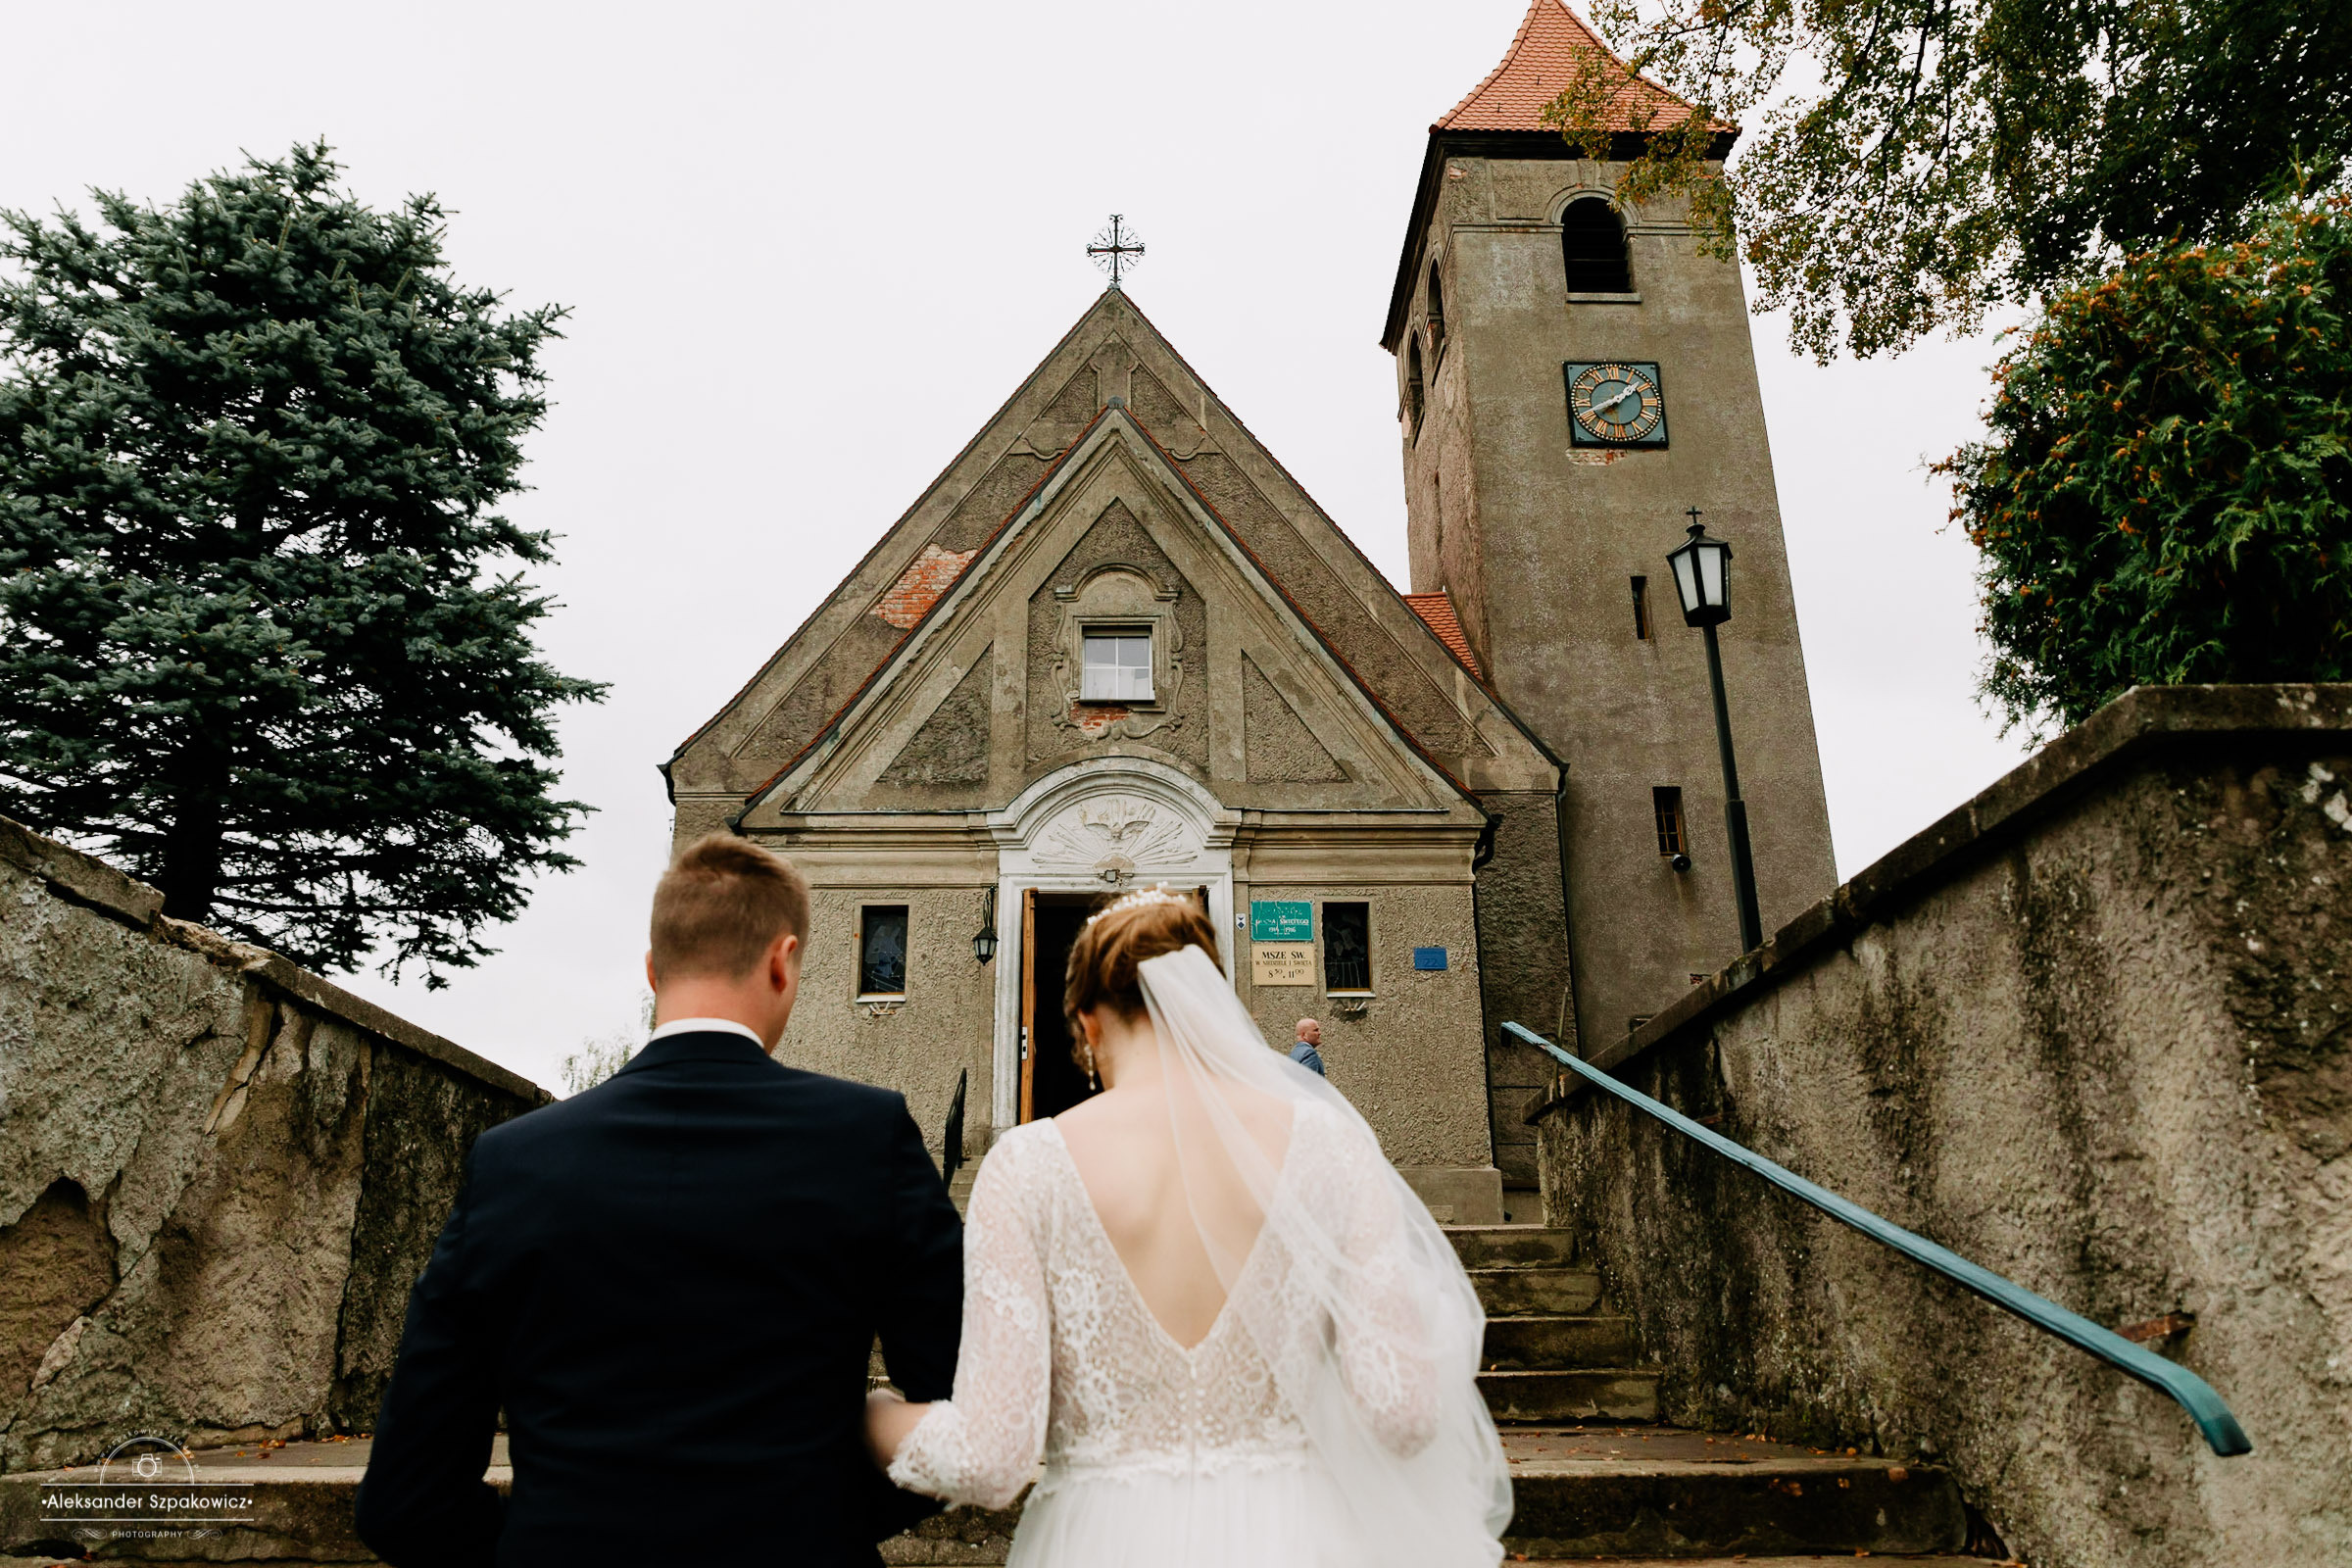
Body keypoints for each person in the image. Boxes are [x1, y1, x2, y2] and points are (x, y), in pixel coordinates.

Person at [355, 834, 963, 1567]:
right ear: (783, 960)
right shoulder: (866, 1135)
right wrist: (823, 1521)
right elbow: (968, 1415)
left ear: (653, 970)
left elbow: (404, 1500)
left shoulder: (513, 1161)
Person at [863, 889, 1511, 1568]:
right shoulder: (1330, 1143)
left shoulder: (1027, 1166)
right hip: (1300, 1534)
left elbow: (993, 1461)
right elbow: (1403, 1414)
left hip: (1103, 1539)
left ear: (1086, 1023)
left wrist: (871, 1415)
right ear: (1209, 1002)